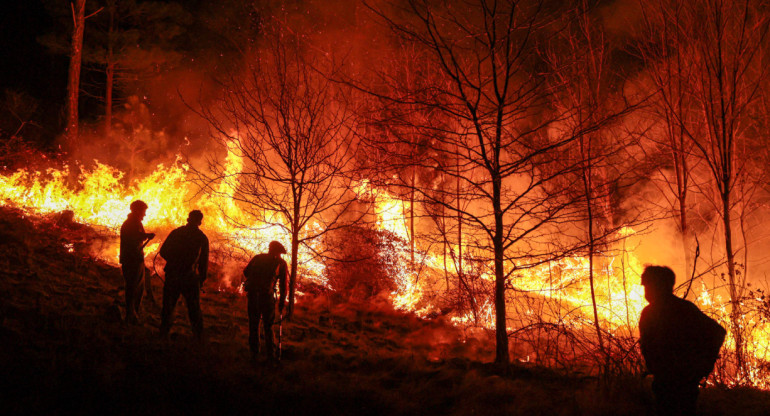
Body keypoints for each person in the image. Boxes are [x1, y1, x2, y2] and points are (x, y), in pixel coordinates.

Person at [639, 265, 726, 416]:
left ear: (659, 285)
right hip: (672, 381)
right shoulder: (684, 308)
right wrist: (703, 366)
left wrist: (703, 365)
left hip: (678, 381)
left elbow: (717, 332)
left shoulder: (658, 312)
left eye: (647, 285)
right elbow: (717, 332)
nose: (645, 291)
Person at [159, 210, 209, 341]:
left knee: (168, 306)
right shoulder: (201, 238)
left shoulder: (177, 232)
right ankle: (198, 337)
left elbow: (163, 251)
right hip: (189, 277)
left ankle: (164, 333)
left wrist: (173, 261)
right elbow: (203, 262)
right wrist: (202, 279)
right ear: (199, 221)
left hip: (173, 274)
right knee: (194, 309)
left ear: (188, 219)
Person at [243, 240, 288, 361]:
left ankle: (254, 354)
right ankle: (271, 355)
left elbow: (246, 272)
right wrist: (282, 302)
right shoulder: (281, 263)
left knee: (254, 325)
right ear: (278, 252)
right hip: (267, 298)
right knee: (268, 326)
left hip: (252, 295)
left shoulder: (258, 258)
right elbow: (283, 286)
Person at [119, 200, 155, 324]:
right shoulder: (132, 223)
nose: (144, 215)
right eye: (143, 212)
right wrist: (147, 236)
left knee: (137, 287)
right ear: (137, 211)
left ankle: (133, 313)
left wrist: (145, 235)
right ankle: (130, 314)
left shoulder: (134, 223)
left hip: (135, 258)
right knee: (133, 287)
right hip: (132, 259)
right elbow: (134, 236)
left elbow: (137, 235)